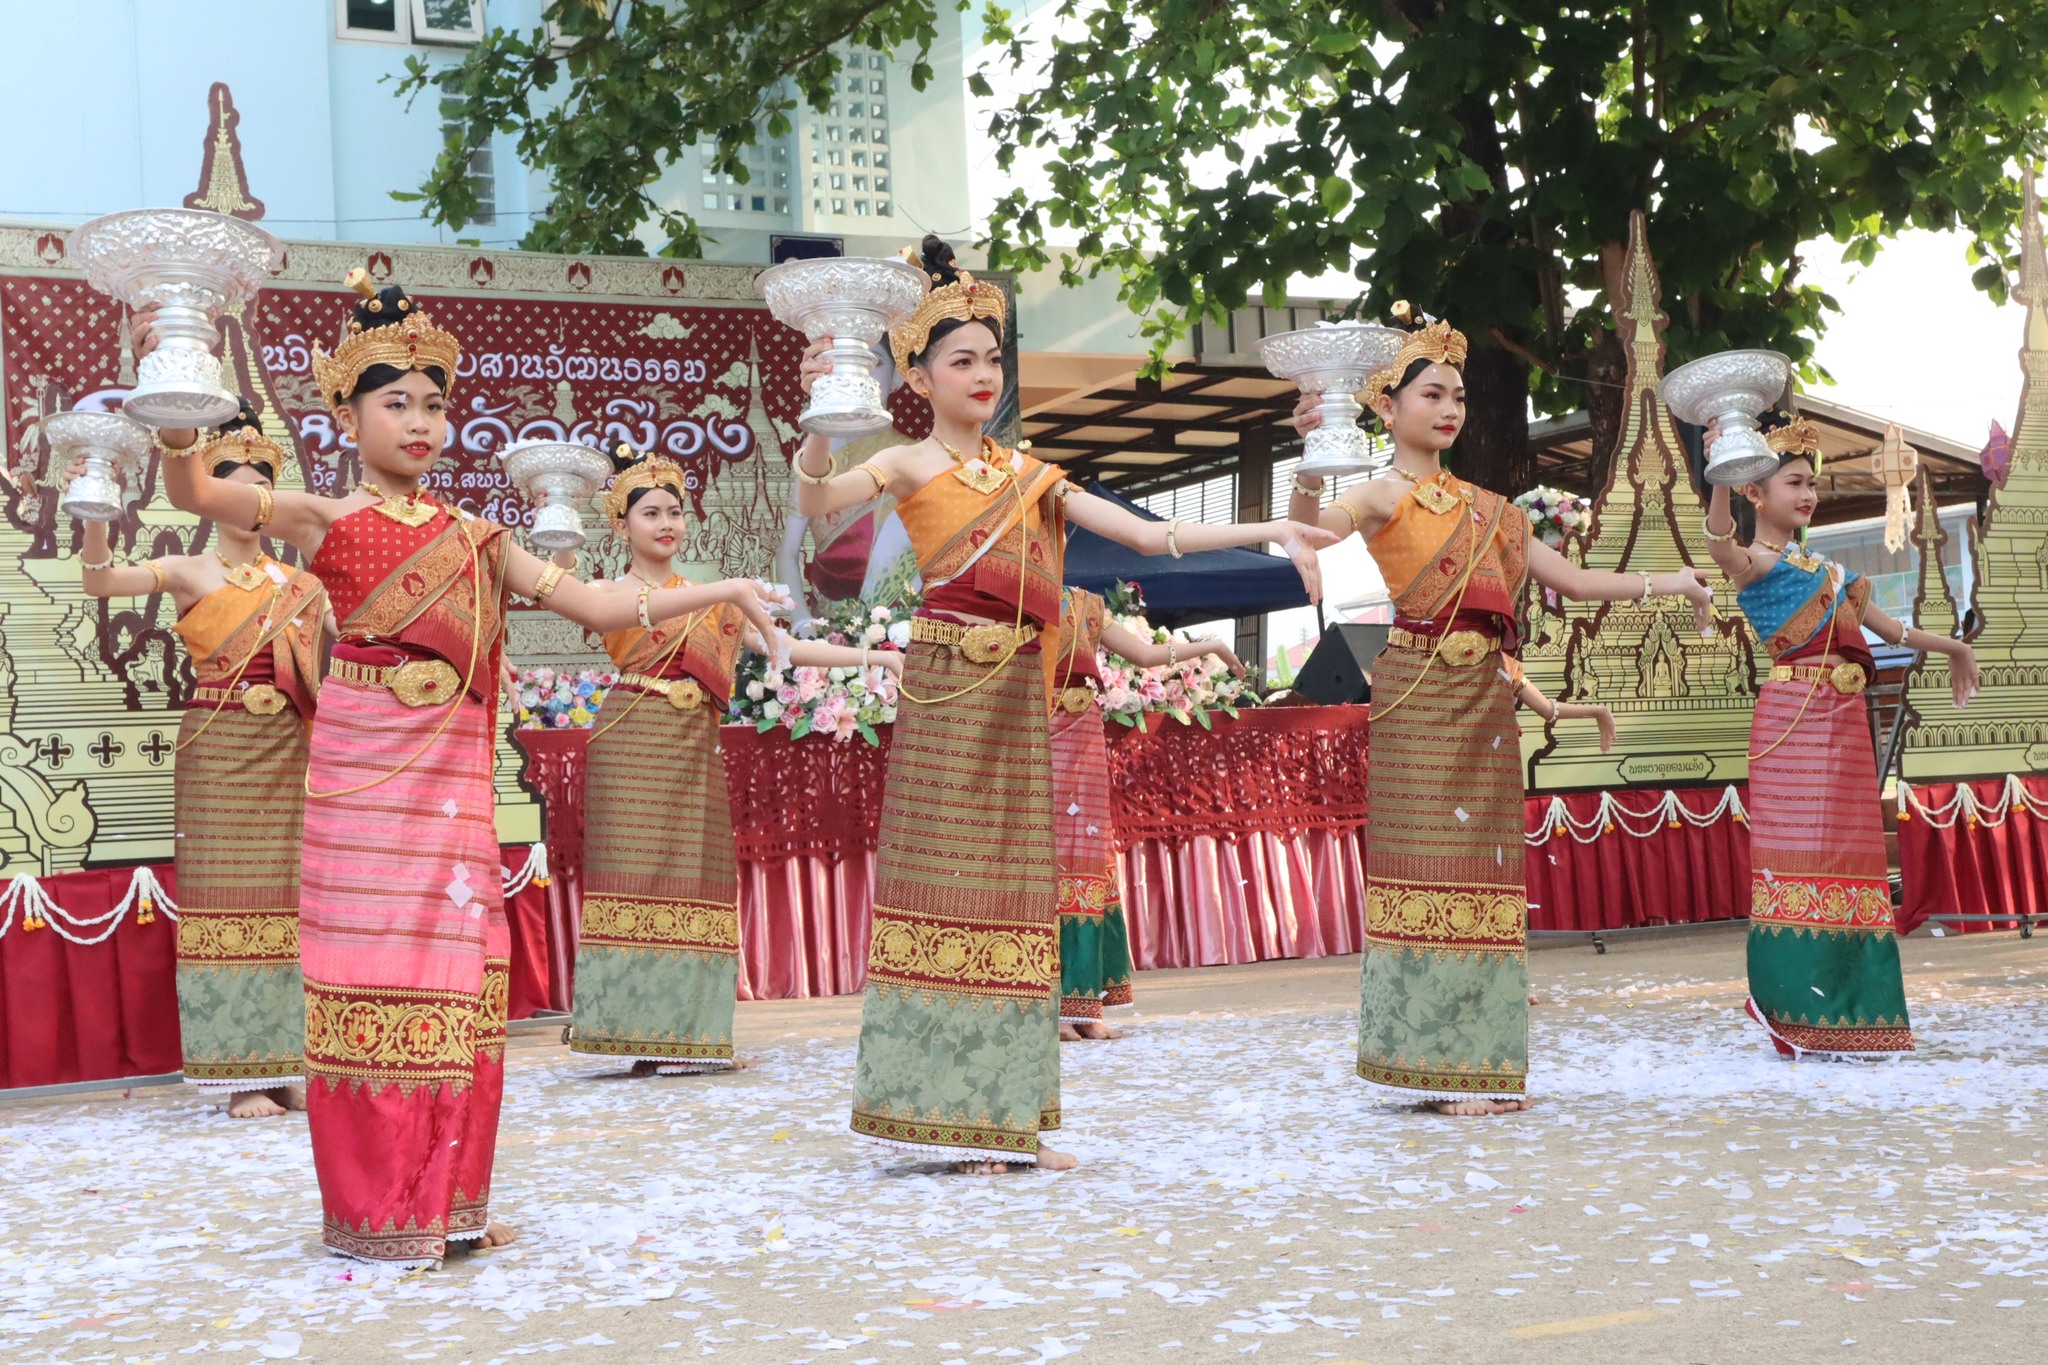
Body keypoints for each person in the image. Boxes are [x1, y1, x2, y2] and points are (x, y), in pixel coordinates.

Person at [142, 272, 784, 1268]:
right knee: (370, 977)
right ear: (346, 416)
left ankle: (452, 1201)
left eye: (434, 404)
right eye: (394, 402)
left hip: (447, 792)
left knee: (455, 984)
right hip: (362, 780)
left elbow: (601, 609)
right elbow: (191, 493)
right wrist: (177, 409)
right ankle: (379, 1208)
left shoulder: (477, 538)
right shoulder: (318, 517)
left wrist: (730, 583)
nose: (420, 421)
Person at [793, 236, 1336, 1171]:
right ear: (917, 376)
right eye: (960, 359)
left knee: (1014, 897)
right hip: (948, 688)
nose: (981, 373)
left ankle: (1009, 1118)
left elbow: (1148, 534)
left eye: (992, 358)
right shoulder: (910, 464)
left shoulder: (1033, 476)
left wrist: (1277, 523)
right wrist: (820, 420)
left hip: (1019, 695)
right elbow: (816, 505)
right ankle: (946, 1113)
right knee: (947, 892)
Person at [1290, 305, 1713, 1115]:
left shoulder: (1496, 511)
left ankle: (1479, 1061)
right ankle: (1434, 1065)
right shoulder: (1380, 495)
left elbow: (1579, 582)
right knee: (1426, 875)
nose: (1450, 408)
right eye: (1431, 395)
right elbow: (1310, 530)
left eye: (1457, 395)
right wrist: (1311, 465)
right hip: (1415, 701)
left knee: (1484, 878)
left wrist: (1675, 583)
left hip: (1485, 704)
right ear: (1386, 406)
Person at [569, 446, 901, 1076]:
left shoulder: (713, 597)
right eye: (650, 514)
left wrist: (876, 659)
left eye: (675, 511)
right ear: (622, 527)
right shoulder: (606, 593)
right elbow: (561, 584)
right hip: (633, 740)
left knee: (696, 878)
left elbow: (787, 647)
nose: (667, 523)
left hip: (693, 744)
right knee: (635, 881)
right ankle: (630, 1032)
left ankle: (688, 1034)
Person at [74, 402, 327, 1120]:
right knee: (228, 903)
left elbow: (369, 632)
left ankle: (292, 1060)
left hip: (295, 752)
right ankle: (242, 1073)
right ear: (209, 492)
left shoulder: (304, 586)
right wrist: (95, 503)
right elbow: (99, 584)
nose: (247, 504)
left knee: (294, 903)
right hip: (219, 754)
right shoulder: (188, 569)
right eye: (232, 487)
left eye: (259, 490)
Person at [1702, 414, 1977, 1059]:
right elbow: (1718, 545)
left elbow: (1894, 632)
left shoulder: (1831, 572)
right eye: (1792, 483)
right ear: (1755, 493)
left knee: (1851, 861)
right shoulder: (1757, 562)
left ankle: (1850, 1013)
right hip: (1793, 717)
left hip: (1846, 720)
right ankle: (1786, 1005)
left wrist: (1953, 646)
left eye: (1810, 485)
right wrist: (1721, 474)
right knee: (1798, 857)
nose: (1806, 495)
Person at [1049, 590, 1242, 1040]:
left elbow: (1142, 654)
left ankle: (1085, 1007)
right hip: (1034, 732)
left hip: (1082, 735)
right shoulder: (1018, 592)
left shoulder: (1087, 604)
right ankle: (1050, 1006)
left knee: (1089, 860)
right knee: (1046, 863)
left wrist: (1209, 644)